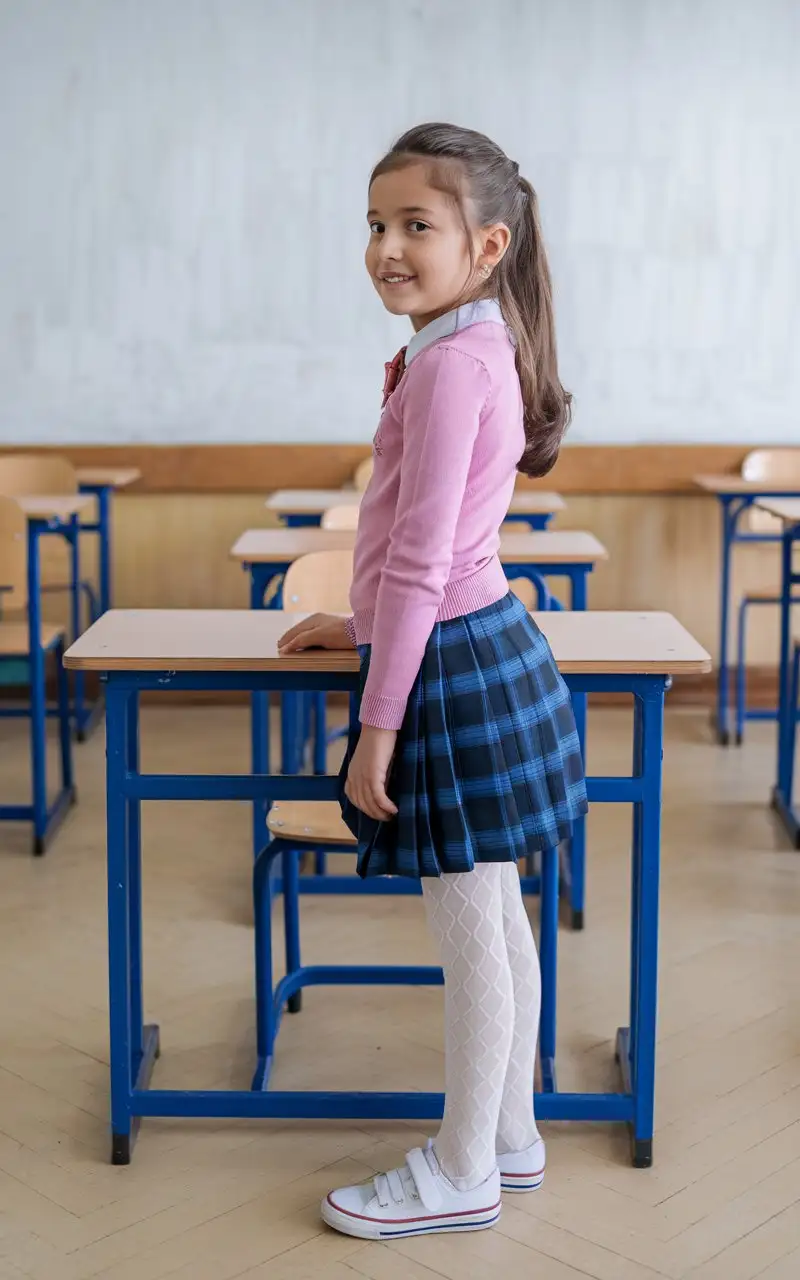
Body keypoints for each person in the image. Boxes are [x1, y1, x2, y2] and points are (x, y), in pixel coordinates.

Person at [278, 122, 587, 1241]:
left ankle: (460, 1165)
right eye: (375, 224)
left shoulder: (454, 360)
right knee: (497, 922)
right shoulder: (465, 343)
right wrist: (353, 621)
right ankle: (506, 1138)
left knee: (472, 933)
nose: (386, 247)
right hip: (477, 640)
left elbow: (419, 556)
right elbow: (424, 547)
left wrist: (374, 725)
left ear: (488, 242)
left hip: (451, 667)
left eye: (416, 224)